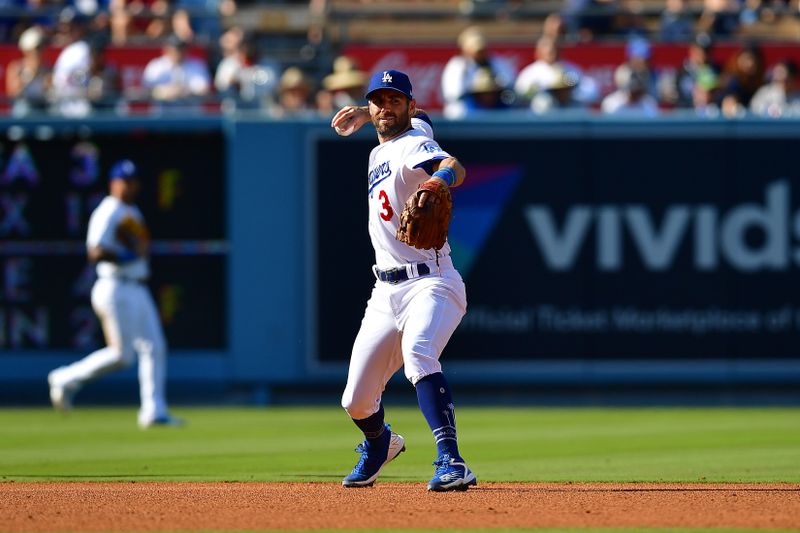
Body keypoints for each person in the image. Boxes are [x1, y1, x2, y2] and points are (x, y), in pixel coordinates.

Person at [329, 69, 476, 492]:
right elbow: (420, 116)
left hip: (432, 282)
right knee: (355, 400)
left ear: (409, 106)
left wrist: (437, 179)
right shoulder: (389, 142)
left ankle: (451, 460)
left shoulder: (414, 143)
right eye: (379, 99)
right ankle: (381, 444)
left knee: (419, 354)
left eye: (396, 100)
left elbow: (453, 165)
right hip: (385, 292)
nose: (386, 106)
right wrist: (363, 111)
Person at [47, 160, 182, 430]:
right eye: (126, 181)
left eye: (134, 181)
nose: (131, 186)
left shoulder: (132, 211)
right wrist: (125, 255)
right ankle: (64, 377)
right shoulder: (107, 211)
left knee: (155, 347)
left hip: (138, 287)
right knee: (122, 356)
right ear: (114, 182)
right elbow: (94, 251)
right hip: (115, 286)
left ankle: (153, 411)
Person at [440, 26, 515, 119]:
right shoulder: (457, 66)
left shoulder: (497, 62)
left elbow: (510, 88)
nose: (480, 53)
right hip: (464, 114)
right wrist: (477, 90)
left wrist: (491, 88)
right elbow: (453, 95)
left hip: (495, 109)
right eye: (476, 50)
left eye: (482, 49)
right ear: (465, 49)